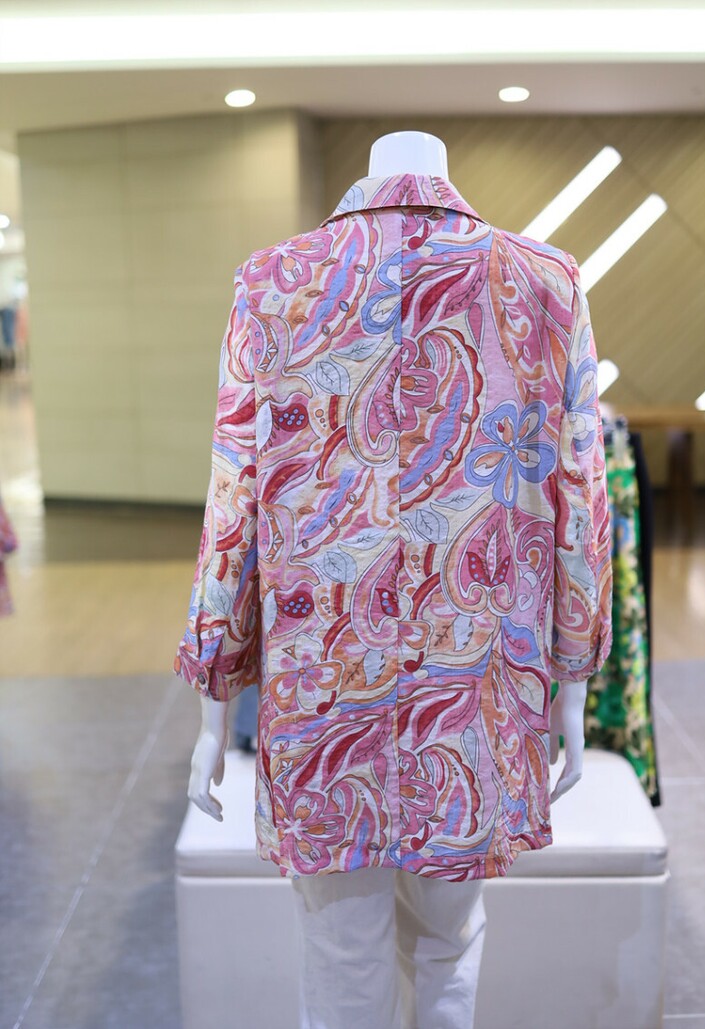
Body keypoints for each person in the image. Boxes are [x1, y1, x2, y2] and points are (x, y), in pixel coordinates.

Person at [174, 130, 612, 1029]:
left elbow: (234, 494)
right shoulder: (547, 282)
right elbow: (582, 500)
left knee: (340, 953)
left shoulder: (274, 282)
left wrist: (213, 703)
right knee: (453, 940)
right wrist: (572, 682)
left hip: (325, 690)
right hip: (478, 690)